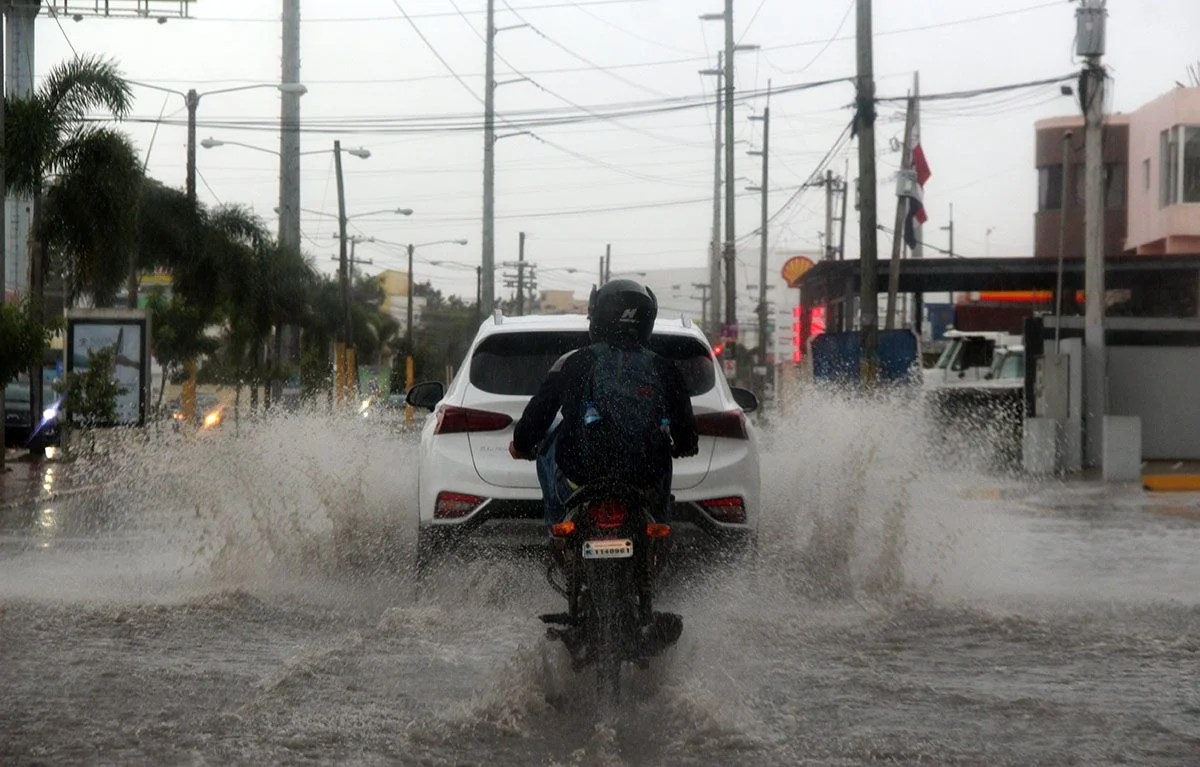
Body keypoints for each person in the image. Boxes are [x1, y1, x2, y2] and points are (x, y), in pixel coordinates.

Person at [507, 279, 699, 528]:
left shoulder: (572, 362)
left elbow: (538, 416)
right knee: (663, 454)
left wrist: (521, 446)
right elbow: (685, 429)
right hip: (645, 480)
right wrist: (684, 446)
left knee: (549, 441)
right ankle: (658, 528)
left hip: (579, 477)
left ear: (597, 318)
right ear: (647, 322)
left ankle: (556, 530)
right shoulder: (664, 368)